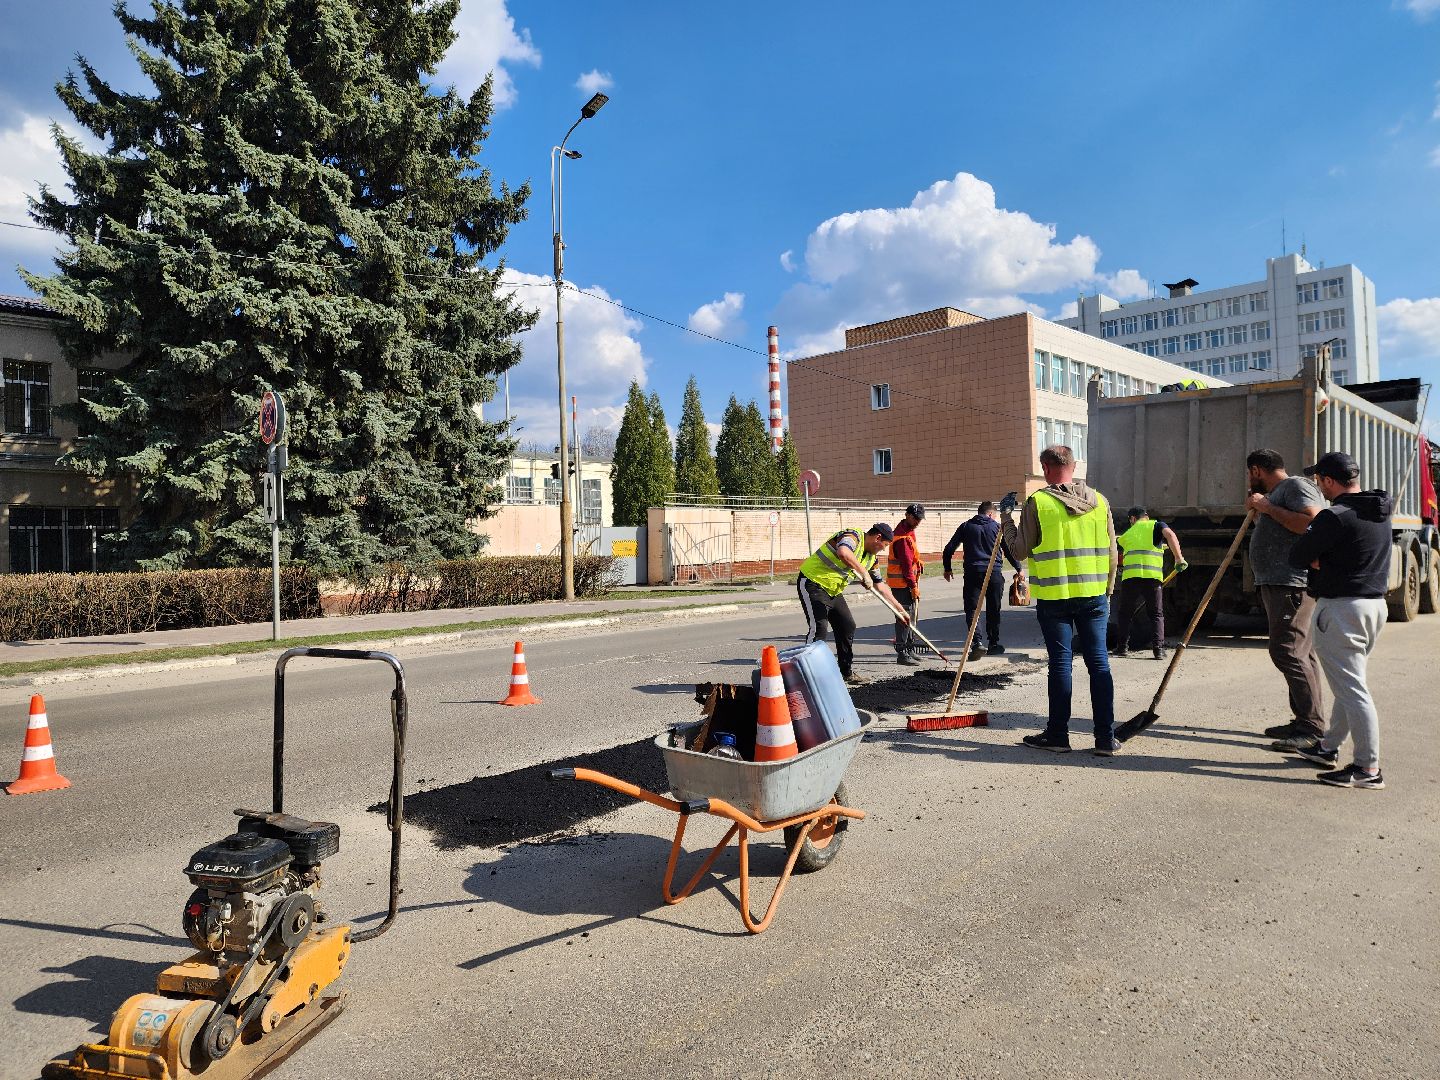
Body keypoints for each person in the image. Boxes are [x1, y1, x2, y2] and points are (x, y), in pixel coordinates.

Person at [1283, 452, 1392, 789]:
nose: (1319, 487)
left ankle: (1367, 768)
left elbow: (1298, 555)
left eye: (1319, 481)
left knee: (1353, 690)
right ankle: (1328, 747)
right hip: (1374, 607)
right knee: (1350, 684)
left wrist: (1319, 558)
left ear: (1329, 481)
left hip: (1342, 609)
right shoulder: (1377, 511)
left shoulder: (1334, 516)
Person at [1001, 445, 1119, 755]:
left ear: (1045, 468)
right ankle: (1105, 739)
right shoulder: (1100, 501)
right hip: (1094, 596)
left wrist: (1006, 518)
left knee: (1061, 665)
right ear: (1074, 466)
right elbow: (1112, 552)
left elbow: (1018, 551)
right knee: (1099, 663)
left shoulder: (1038, 502)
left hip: (1055, 599)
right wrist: (1108, 591)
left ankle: (1058, 736)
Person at [1244, 448, 1326, 748]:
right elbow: (1282, 529)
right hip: (1279, 582)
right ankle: (1304, 720)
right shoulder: (1279, 494)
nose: (1248, 479)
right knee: (1300, 652)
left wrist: (1267, 507)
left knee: (1287, 651)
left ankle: (1312, 729)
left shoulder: (1294, 486)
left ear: (1256, 470)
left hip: (1291, 583)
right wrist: (1260, 511)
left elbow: (1312, 524)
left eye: (1249, 474)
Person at [796, 523, 907, 686]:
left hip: (833, 591)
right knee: (819, 628)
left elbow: (880, 585)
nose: (883, 549)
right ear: (878, 538)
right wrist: (863, 573)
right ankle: (806, 676)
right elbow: (844, 552)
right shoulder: (853, 536)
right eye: (884, 545)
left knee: (847, 626)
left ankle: (846, 672)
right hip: (812, 583)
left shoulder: (871, 559)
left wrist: (899, 609)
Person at [943, 501, 1023, 661]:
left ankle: (977, 643)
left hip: (973, 572)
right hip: (993, 573)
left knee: (972, 609)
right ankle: (993, 643)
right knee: (994, 608)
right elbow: (1008, 551)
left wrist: (948, 568)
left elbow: (949, 548)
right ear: (991, 514)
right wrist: (1018, 568)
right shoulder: (997, 527)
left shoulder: (966, 526)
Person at [1112, 506, 1187, 660]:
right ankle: (1158, 650)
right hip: (1152, 578)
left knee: (1125, 614)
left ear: (1133, 519)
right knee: (1156, 614)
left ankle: (1122, 648)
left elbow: (1116, 548)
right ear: (1146, 516)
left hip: (1131, 578)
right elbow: (1170, 535)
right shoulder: (1157, 525)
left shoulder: (1127, 534)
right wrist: (1179, 558)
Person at [887, 504, 927, 666]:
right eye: (915, 518)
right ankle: (902, 653)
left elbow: (911, 556)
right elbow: (905, 566)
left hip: (907, 582)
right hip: (902, 584)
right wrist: (913, 586)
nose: (918, 521)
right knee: (903, 618)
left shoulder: (909, 531)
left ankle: (909, 648)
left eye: (920, 519)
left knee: (911, 616)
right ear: (907, 515)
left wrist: (918, 560)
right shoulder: (902, 538)